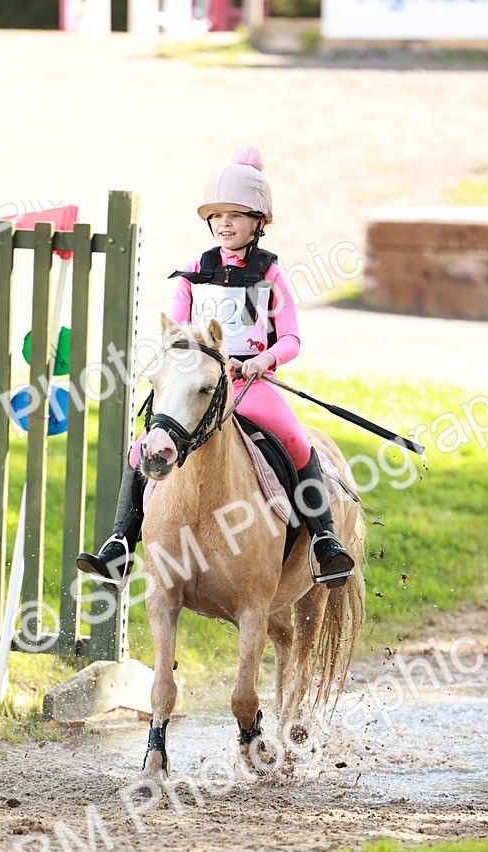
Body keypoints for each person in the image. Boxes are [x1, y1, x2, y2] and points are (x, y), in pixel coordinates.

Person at [76, 146, 356, 593]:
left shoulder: (271, 275)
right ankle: (120, 544)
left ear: (258, 223)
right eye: (217, 215)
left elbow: (291, 339)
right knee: (141, 446)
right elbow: (174, 331)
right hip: (196, 384)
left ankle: (323, 538)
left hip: (249, 385)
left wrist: (264, 360)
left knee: (296, 442)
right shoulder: (192, 272)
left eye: (237, 215)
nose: (225, 223)